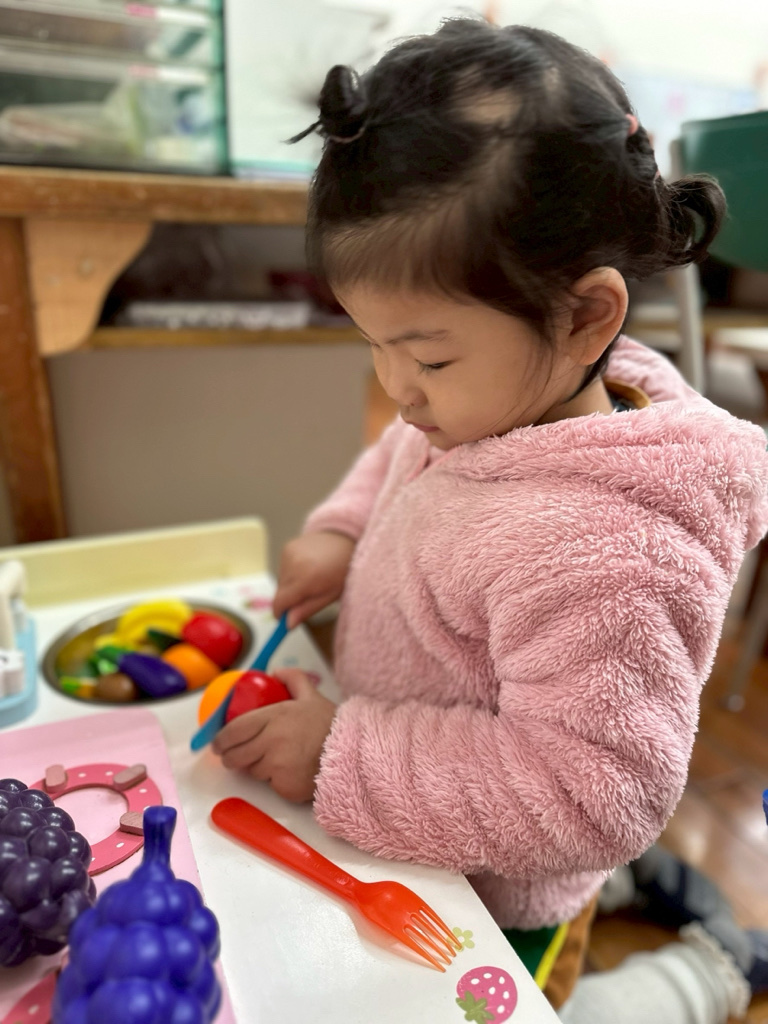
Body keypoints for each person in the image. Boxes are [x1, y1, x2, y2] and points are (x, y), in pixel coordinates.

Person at [212, 17, 768, 1018]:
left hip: (500, 892)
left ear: (587, 317)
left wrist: (342, 753)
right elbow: (400, 462)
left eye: (427, 357)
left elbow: (593, 796)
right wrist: (341, 532)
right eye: (374, 344)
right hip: (425, 827)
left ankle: (705, 973)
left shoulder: (608, 548)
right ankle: (635, 901)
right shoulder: (496, 398)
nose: (398, 389)